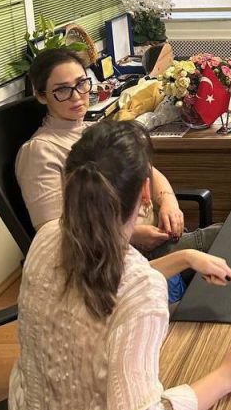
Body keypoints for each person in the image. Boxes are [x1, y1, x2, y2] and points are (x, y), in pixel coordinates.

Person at [9, 120, 231, 410]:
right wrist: (226, 376)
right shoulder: (139, 287)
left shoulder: (47, 237)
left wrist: (184, 258)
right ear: (146, 194)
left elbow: (110, 288)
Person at [16, 48, 218, 255]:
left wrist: (168, 202)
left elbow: (148, 171)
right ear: (41, 95)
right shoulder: (40, 151)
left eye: (81, 83)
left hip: (159, 234)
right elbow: (52, 233)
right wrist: (131, 234)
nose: (76, 96)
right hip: (118, 255)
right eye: (62, 90)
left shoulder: (93, 130)